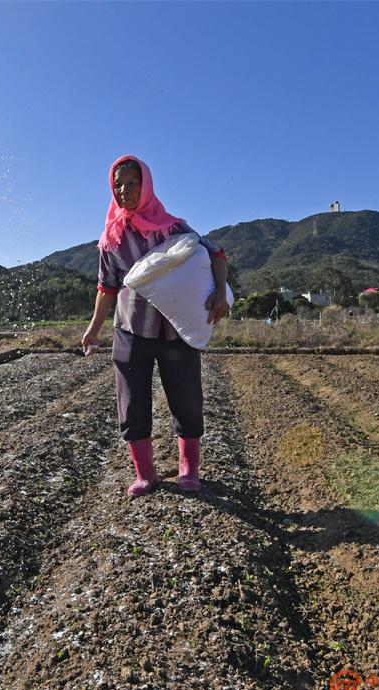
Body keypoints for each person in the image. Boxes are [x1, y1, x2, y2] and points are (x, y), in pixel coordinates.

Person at [81, 155, 229, 497]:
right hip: (131, 328)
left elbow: (216, 254)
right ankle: (145, 474)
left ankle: (189, 470)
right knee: (132, 400)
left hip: (176, 329)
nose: (124, 190)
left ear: (146, 185)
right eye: (118, 185)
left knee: (186, 397)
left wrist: (220, 292)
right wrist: (93, 329)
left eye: (132, 183)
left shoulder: (174, 228)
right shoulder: (111, 239)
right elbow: (106, 288)